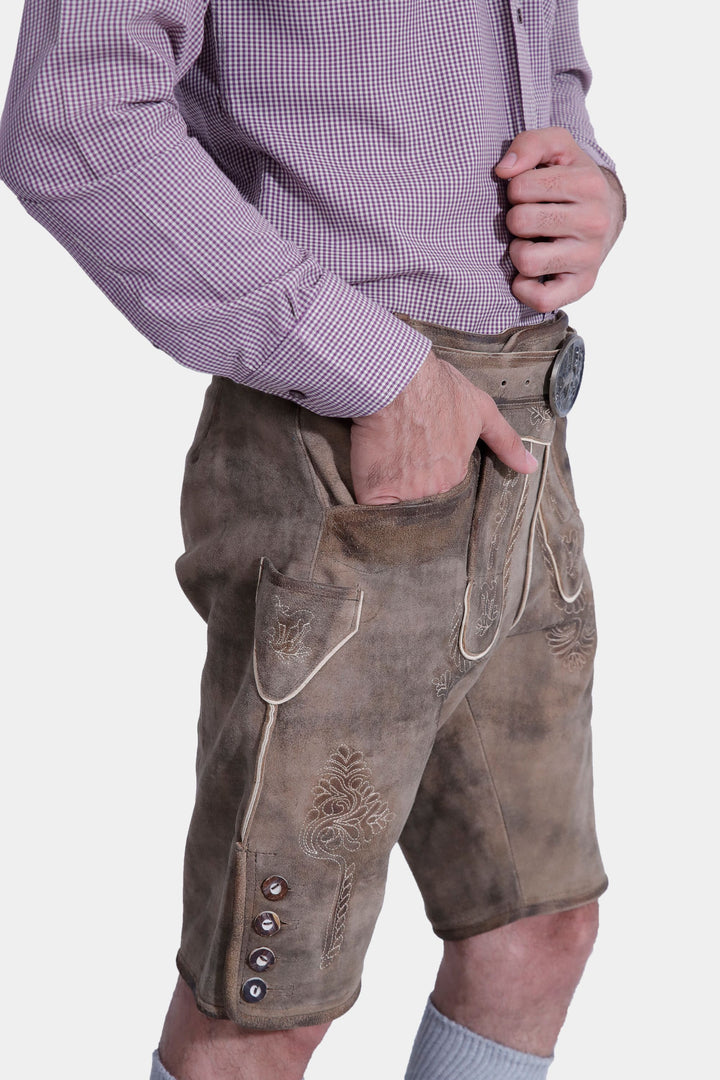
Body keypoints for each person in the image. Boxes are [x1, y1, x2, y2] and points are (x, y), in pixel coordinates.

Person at [0, 2, 624, 1078]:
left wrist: (592, 188)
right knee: (268, 1005)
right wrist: (374, 369)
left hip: (523, 431)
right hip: (342, 450)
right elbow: (76, 116)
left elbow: (537, 59)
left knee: (536, 931)